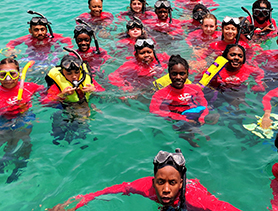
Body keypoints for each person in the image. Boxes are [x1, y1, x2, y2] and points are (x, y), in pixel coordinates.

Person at [49, 149, 241, 211]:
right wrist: (80, 200)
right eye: (160, 182)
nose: (165, 189)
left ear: (181, 182)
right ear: (153, 180)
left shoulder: (196, 198)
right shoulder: (146, 186)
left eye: (172, 183)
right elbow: (119, 188)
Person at [150, 55, 211, 147]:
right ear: (169, 74)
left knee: (215, 117)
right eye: (174, 74)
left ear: (187, 74)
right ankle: (187, 136)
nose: (178, 77)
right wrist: (181, 118)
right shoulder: (161, 94)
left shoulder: (195, 89)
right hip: (177, 119)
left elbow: (203, 104)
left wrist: (202, 117)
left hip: (194, 115)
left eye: (182, 74)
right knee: (189, 127)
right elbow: (154, 110)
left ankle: (195, 133)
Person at [0, 58, 44, 183]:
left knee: (24, 140)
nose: (8, 79)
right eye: (3, 75)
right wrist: (6, 109)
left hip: (24, 117)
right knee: (4, 138)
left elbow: (47, 95)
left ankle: (19, 168)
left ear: (19, 73)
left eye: (12, 74)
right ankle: (4, 161)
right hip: (3, 120)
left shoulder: (30, 87)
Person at [42, 55, 96, 145]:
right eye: (69, 74)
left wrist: (93, 90)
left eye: (76, 72)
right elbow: (45, 102)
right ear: (63, 73)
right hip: (64, 109)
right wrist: (62, 94)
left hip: (82, 109)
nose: (74, 76)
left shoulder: (86, 80)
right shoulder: (57, 86)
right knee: (59, 134)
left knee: (83, 130)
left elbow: (102, 91)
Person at [6, 15, 72, 64]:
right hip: (31, 59)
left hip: (50, 58)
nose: (40, 33)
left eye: (42, 29)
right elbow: (11, 43)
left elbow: (68, 40)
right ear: (30, 31)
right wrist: (11, 51)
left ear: (46, 29)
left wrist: (67, 49)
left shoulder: (52, 37)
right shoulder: (26, 38)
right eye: (36, 30)